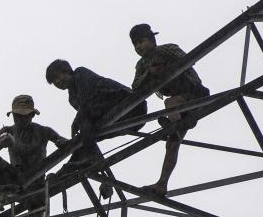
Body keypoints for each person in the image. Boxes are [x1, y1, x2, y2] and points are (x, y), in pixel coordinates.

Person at [129, 23, 210, 195]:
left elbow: (189, 59)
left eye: (141, 41)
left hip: (194, 94)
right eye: (135, 44)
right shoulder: (142, 65)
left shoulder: (167, 49)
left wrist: (166, 68)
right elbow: (135, 88)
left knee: (170, 104)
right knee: (172, 145)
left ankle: (174, 126)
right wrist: (149, 73)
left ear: (151, 39)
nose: (138, 47)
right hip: (178, 108)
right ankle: (162, 184)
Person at [0, 94, 68, 217]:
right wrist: (0, 145)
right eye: (17, 116)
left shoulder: (43, 131)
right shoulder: (7, 131)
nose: (20, 119)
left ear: (32, 115)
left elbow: (65, 143)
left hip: (36, 183)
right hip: (14, 180)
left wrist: (61, 143)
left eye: (24, 116)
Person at [45, 60, 148, 179]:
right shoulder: (72, 98)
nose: (58, 82)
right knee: (84, 137)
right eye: (54, 81)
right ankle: (66, 170)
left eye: (58, 76)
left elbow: (86, 103)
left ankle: (87, 160)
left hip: (132, 105)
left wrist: (75, 124)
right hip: (113, 118)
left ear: (67, 71)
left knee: (84, 125)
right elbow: (87, 118)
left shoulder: (80, 73)